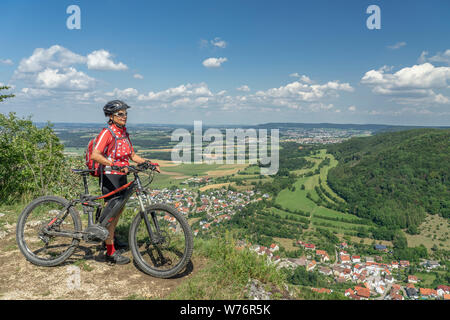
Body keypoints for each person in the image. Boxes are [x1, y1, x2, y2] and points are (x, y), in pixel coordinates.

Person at [91, 100, 156, 264]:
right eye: (120, 114)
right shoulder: (107, 132)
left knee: (118, 211)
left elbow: (132, 156)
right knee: (112, 213)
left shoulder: (124, 133)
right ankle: (110, 253)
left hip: (121, 176)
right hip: (109, 176)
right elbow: (95, 155)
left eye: (126, 113)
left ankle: (109, 238)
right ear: (111, 116)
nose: (124, 116)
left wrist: (147, 163)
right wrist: (114, 164)